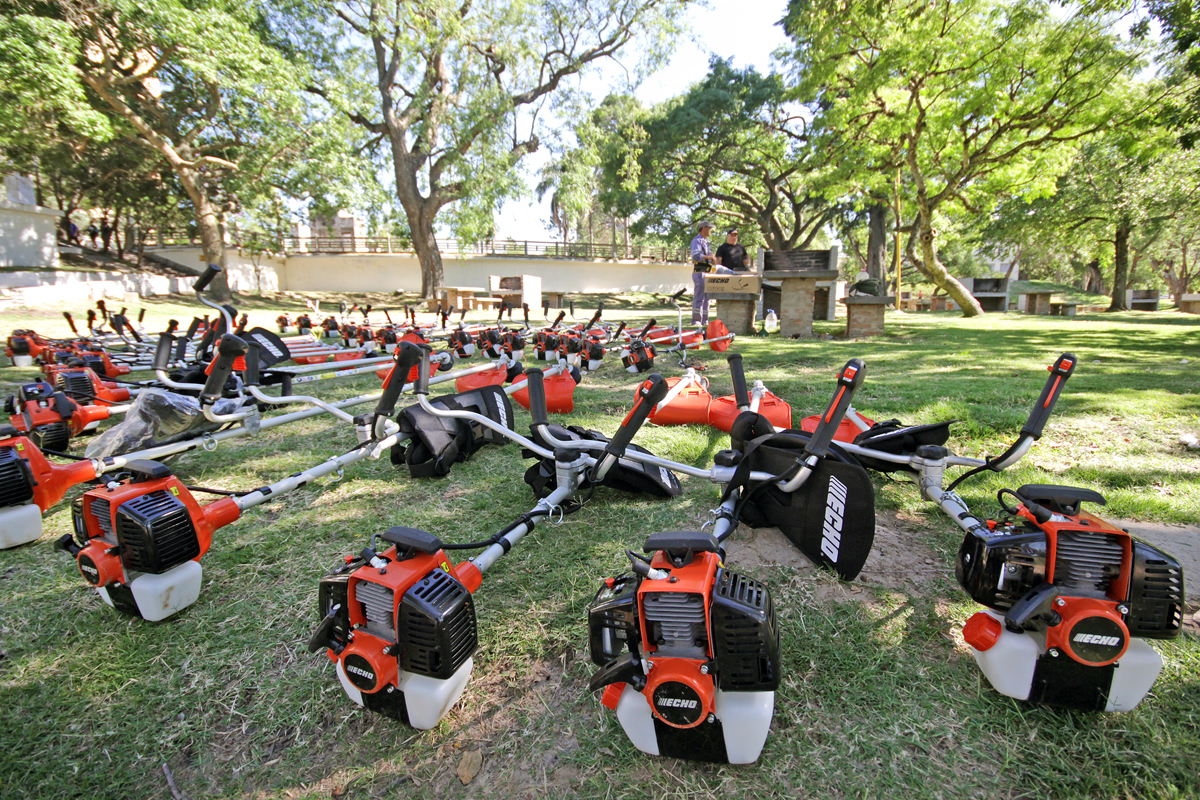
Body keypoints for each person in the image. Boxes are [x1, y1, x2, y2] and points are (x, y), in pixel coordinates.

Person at [690, 221, 717, 324]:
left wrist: (712, 259)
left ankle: (705, 321)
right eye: (709, 228)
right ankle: (696, 321)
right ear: (704, 228)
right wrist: (709, 257)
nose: (710, 230)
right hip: (700, 272)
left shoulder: (706, 242)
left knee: (707, 299)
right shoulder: (696, 241)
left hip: (707, 272)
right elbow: (695, 256)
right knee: (699, 298)